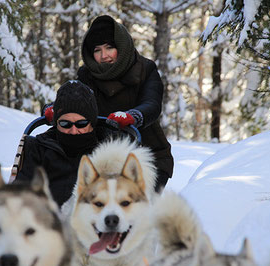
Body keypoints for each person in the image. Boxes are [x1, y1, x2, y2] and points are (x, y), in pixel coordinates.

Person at [76, 15, 174, 192]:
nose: (104, 56)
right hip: (99, 157)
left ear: (120, 46)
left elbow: (152, 103)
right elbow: (75, 100)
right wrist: (59, 109)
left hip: (147, 155)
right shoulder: (86, 75)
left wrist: (134, 116)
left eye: (109, 48)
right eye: (97, 50)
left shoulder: (145, 69)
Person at [16, 80, 110, 207]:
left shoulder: (107, 151)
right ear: (56, 123)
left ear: (92, 123)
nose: (73, 131)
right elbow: (21, 191)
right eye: (65, 124)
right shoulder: (40, 148)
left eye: (81, 124)